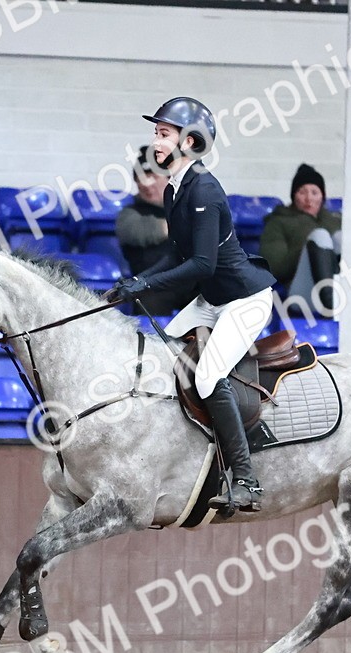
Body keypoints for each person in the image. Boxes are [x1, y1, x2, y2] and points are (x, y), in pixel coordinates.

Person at [111, 97, 275, 513]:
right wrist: (136, 283)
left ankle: (246, 479)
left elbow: (202, 264)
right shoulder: (174, 188)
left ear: (189, 141)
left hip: (244, 301)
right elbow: (176, 254)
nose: (155, 141)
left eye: (163, 134)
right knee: (162, 354)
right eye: (156, 133)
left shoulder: (204, 189)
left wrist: (146, 282)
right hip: (212, 299)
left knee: (206, 377)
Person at [114, 146, 194, 314]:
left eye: (154, 177)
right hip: (153, 285)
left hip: (191, 282)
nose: (146, 185)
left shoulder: (185, 207)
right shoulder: (130, 214)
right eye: (141, 179)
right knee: (148, 300)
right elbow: (137, 231)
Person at [259, 163, 342, 315]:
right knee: (320, 236)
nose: (308, 198)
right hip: (302, 294)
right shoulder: (278, 222)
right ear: (294, 196)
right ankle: (332, 306)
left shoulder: (335, 221)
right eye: (302, 192)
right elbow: (274, 269)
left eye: (314, 192)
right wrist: (307, 247)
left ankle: (343, 297)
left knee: (339, 236)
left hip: (342, 288)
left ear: (322, 197)